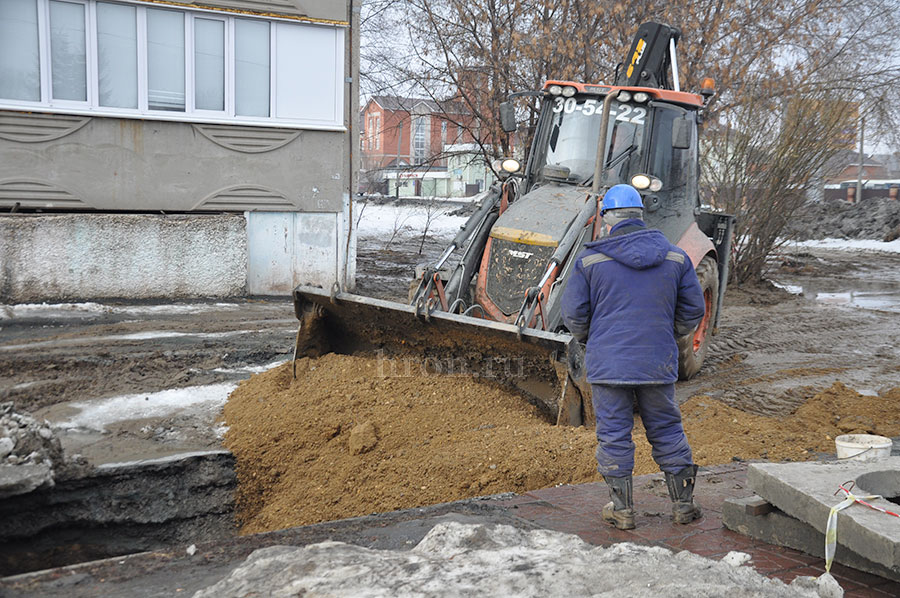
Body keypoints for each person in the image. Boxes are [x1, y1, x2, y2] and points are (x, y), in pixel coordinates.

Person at [561, 184, 707, 530]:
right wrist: (666, 335)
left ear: (607, 220)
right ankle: (683, 505)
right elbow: (694, 310)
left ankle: (622, 510)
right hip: (657, 362)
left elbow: (574, 315)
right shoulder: (675, 257)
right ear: (641, 216)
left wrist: (592, 339)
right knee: (667, 428)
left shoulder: (589, 260)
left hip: (608, 363)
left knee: (613, 433)